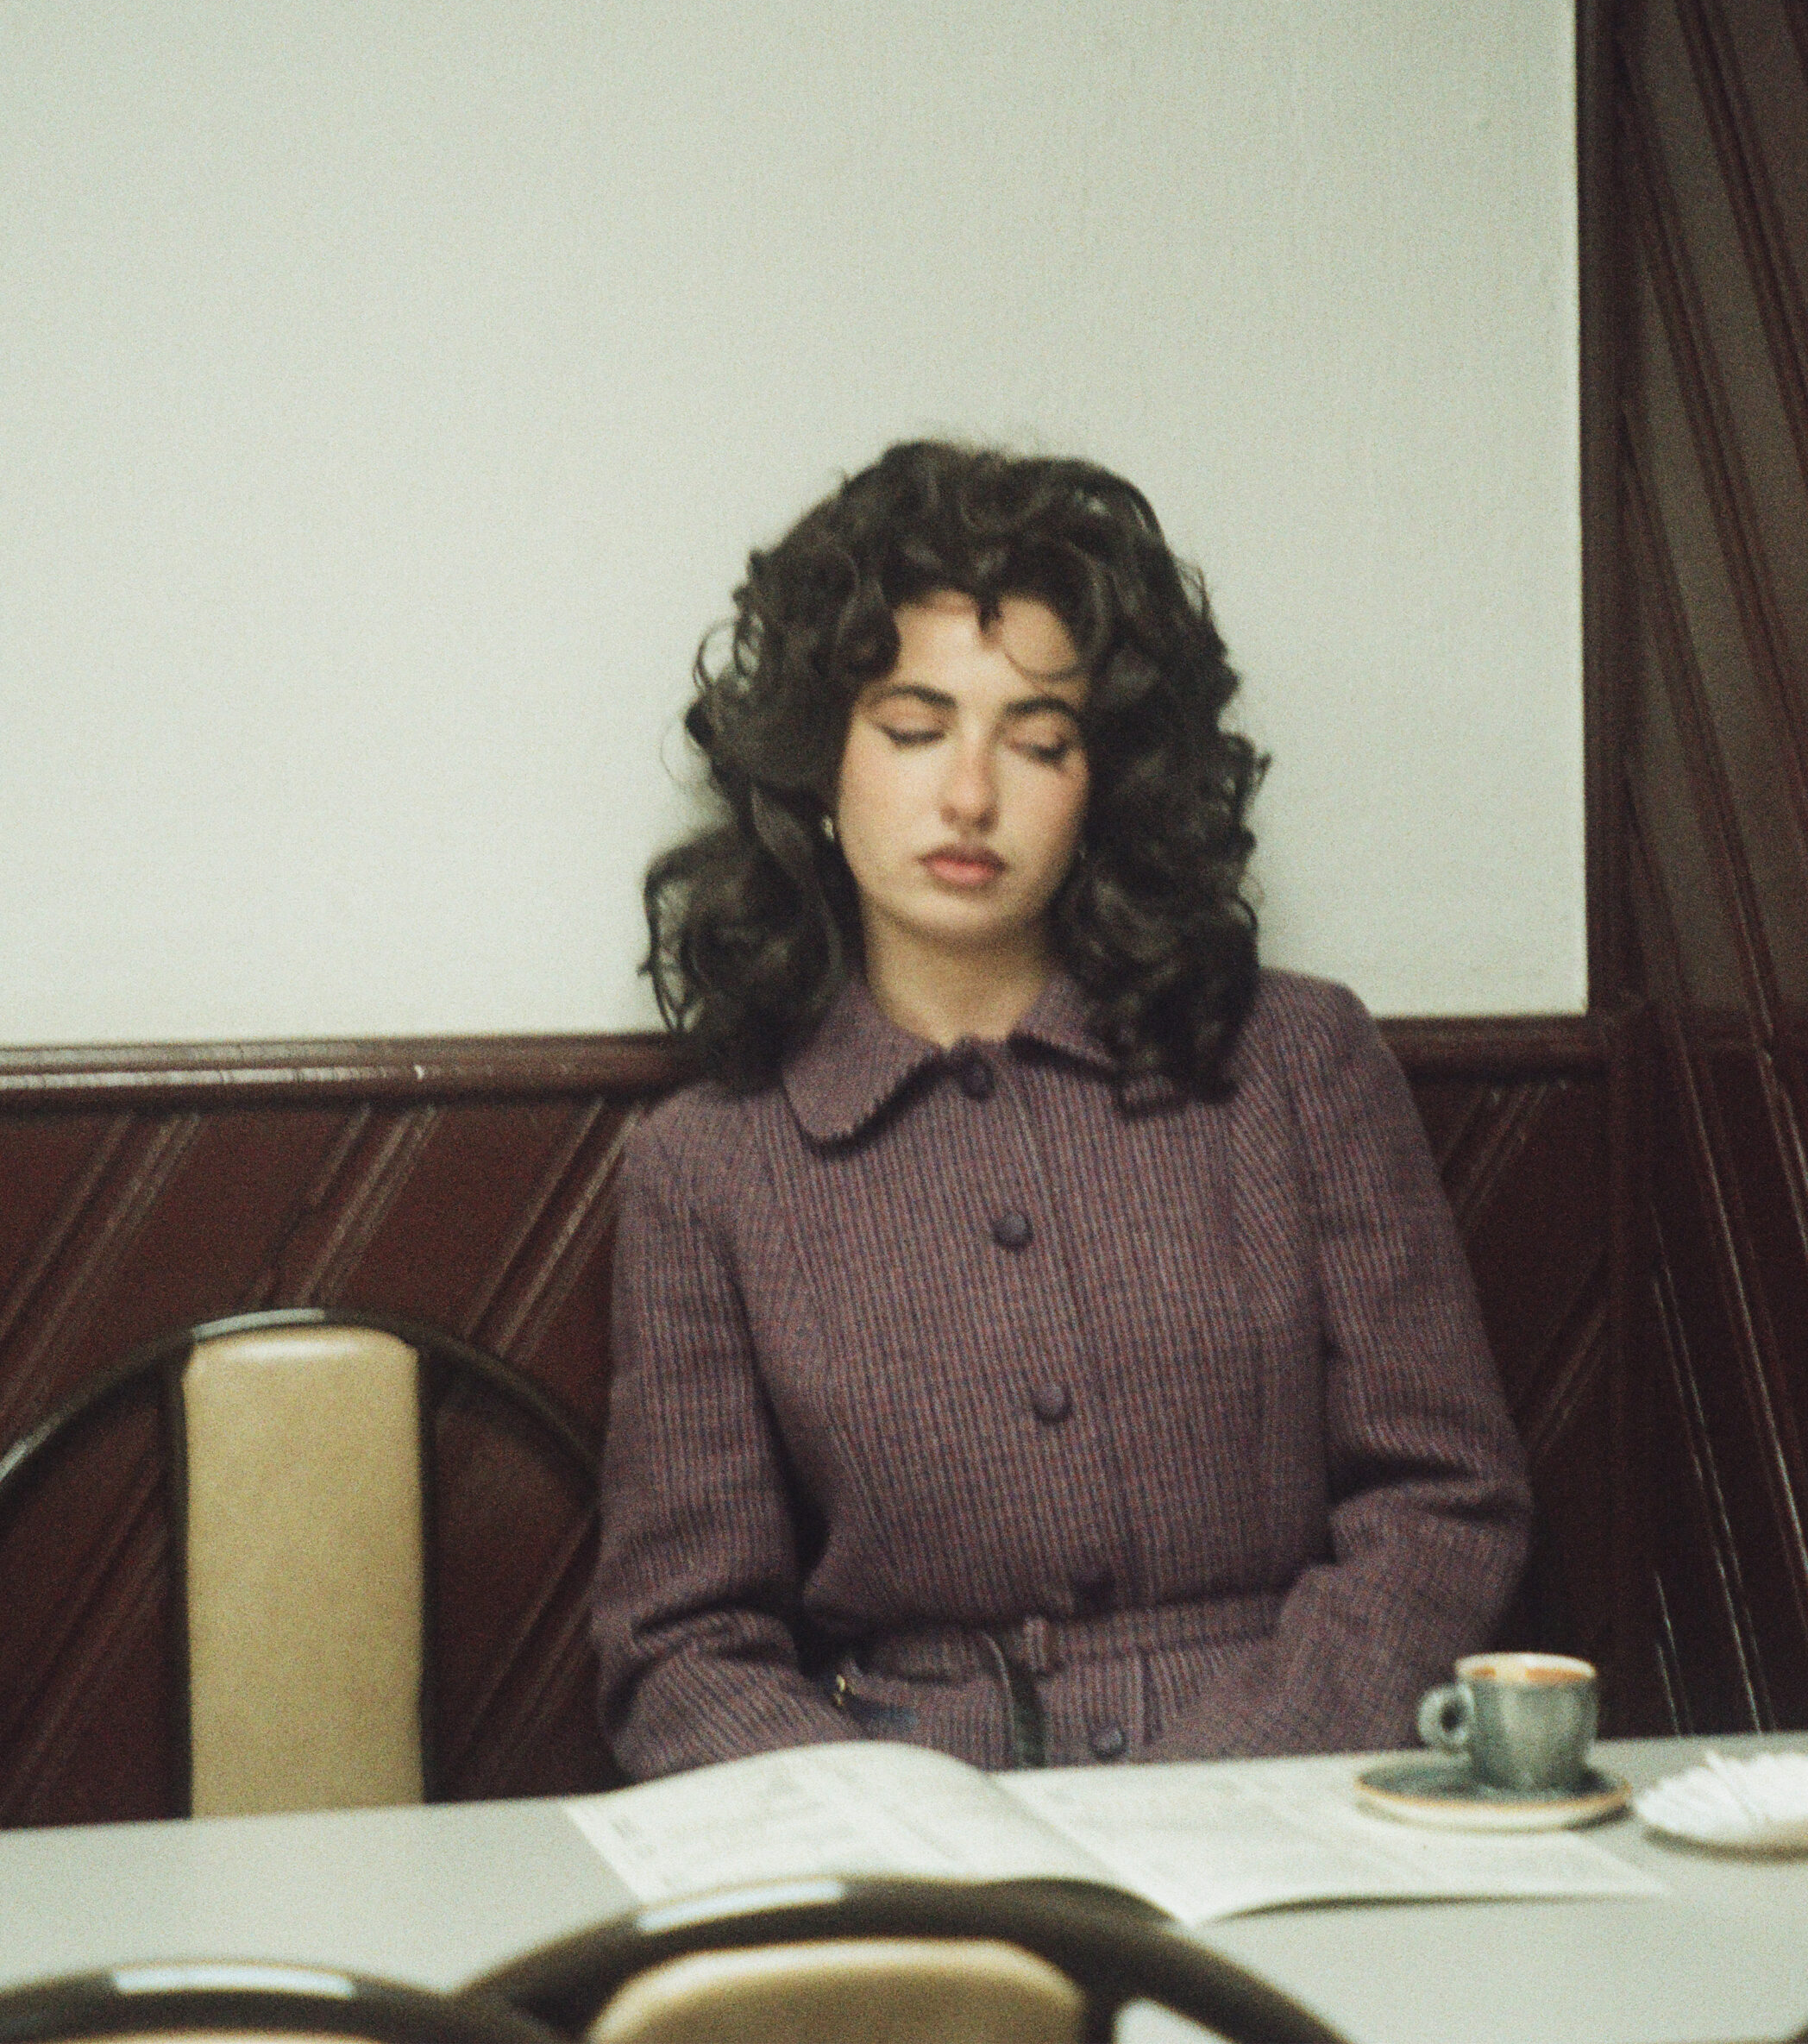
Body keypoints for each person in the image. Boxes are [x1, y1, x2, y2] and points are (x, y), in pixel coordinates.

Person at [593, 440, 1530, 1776]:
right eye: (914, 730)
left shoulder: (1298, 1065)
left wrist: (1223, 1791)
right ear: (817, 761)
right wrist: (889, 1847)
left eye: (1039, 743)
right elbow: (680, 1645)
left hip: (1303, 1789)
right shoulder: (707, 1167)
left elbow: (1446, 1506)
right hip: (910, 1845)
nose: (969, 795)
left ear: (1111, 781)